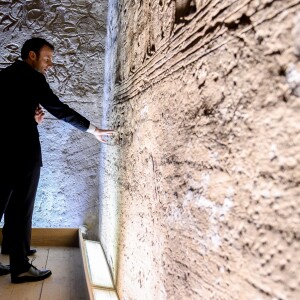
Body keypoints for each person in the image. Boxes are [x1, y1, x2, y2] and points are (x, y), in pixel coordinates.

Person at [0, 37, 114, 283]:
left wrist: (30, 120)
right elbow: (59, 109)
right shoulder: (33, 78)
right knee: (20, 209)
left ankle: (11, 250)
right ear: (32, 55)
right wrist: (93, 130)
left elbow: (6, 116)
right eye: (47, 58)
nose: (50, 64)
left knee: (5, 206)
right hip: (23, 154)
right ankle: (19, 267)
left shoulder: (5, 75)